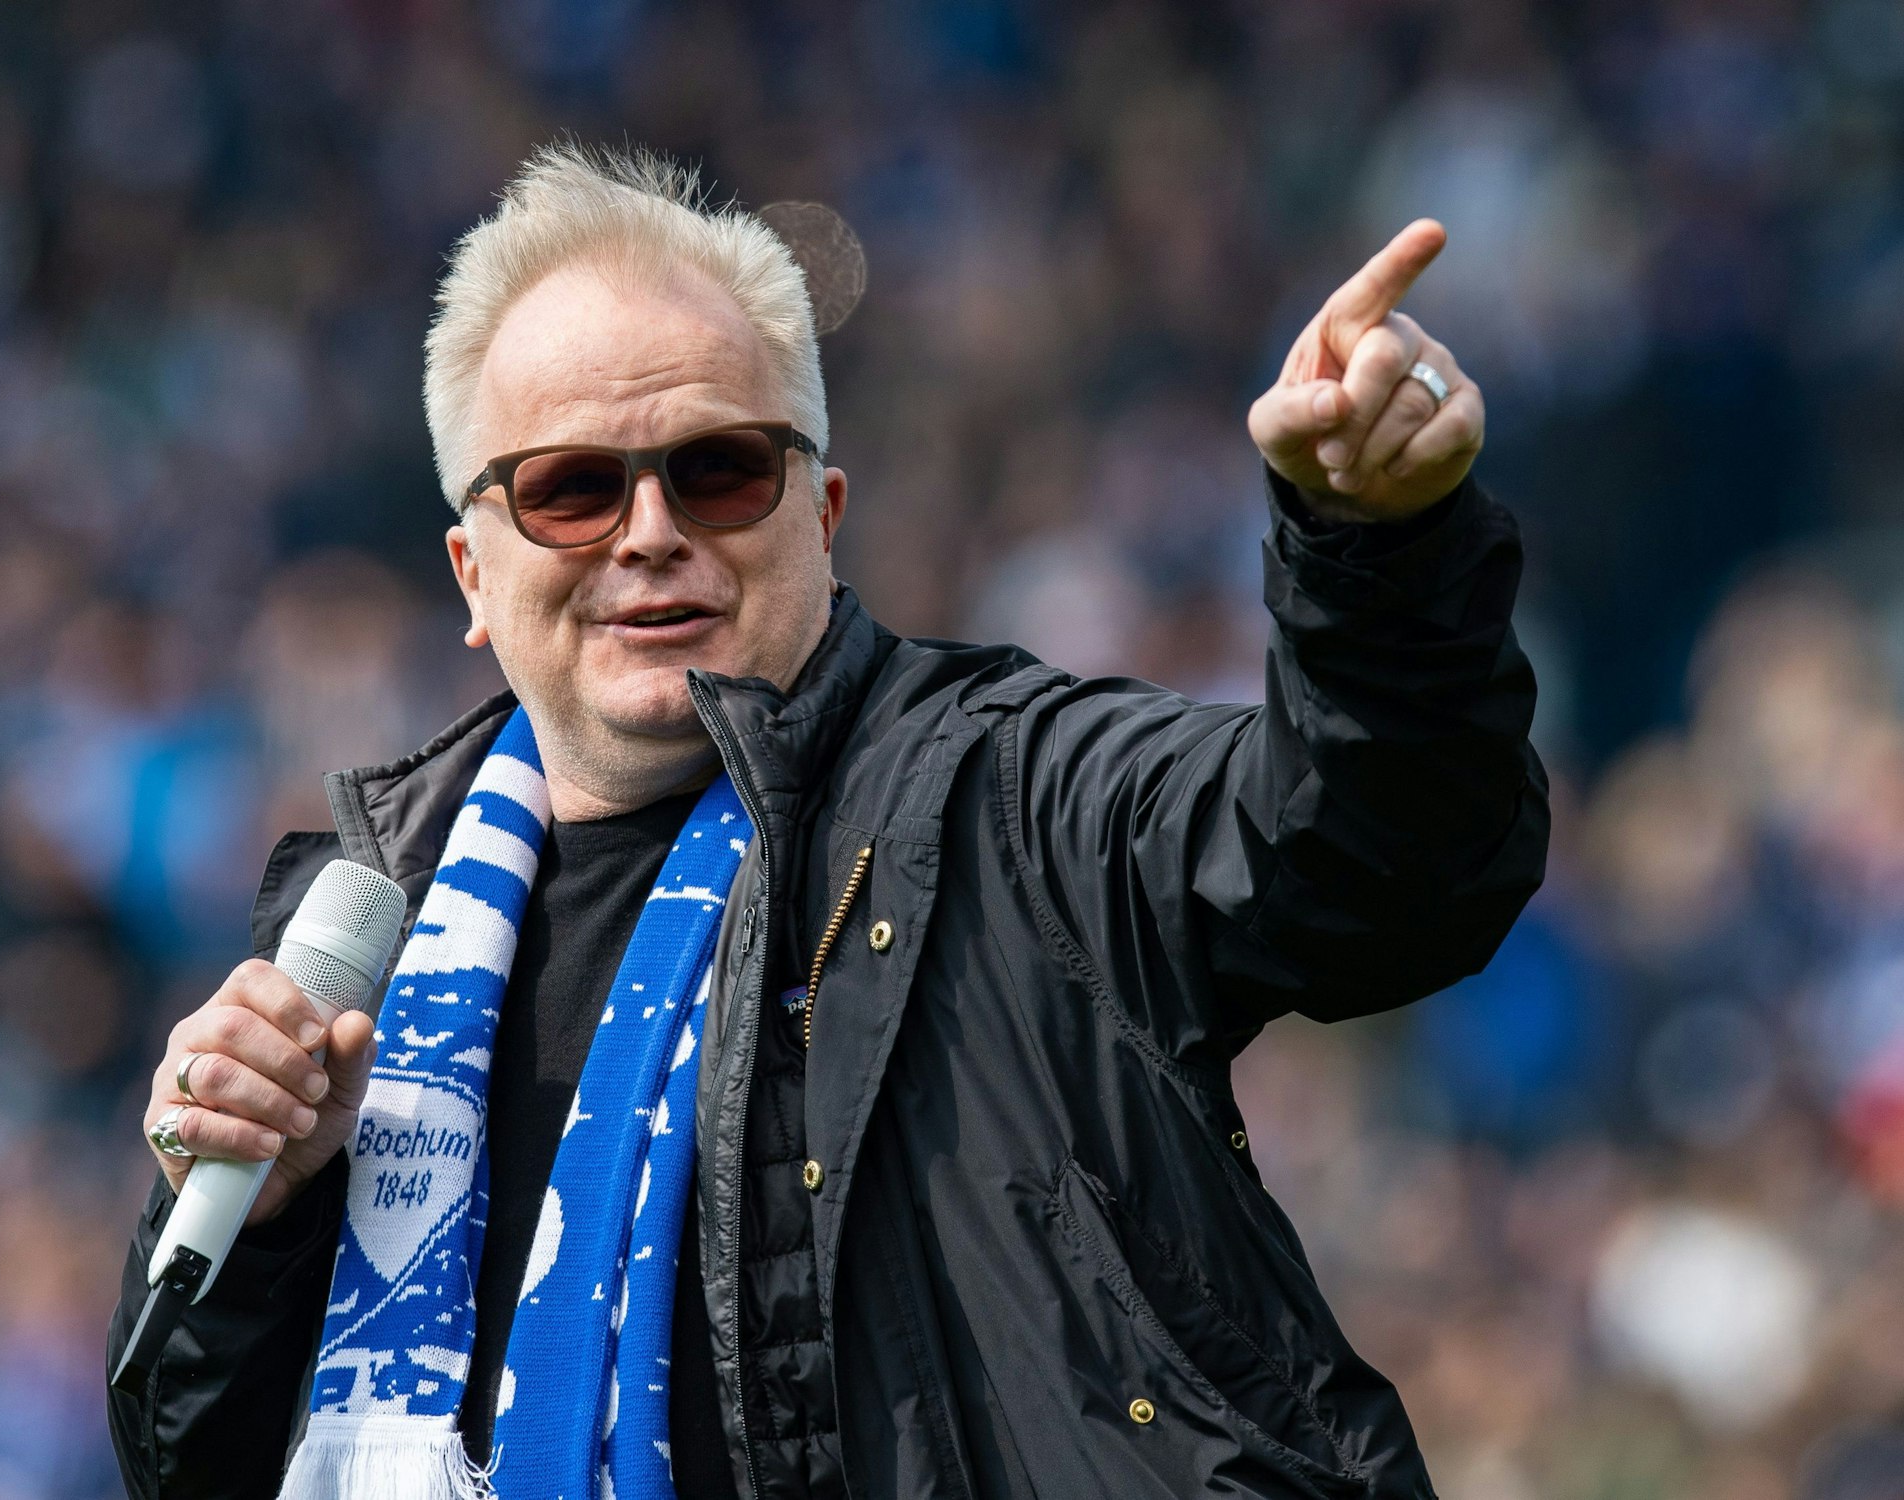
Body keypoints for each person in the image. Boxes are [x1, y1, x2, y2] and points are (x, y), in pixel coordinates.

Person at [107, 142, 1546, 1500]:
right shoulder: (374, 941)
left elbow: (1377, 862)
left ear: (824, 512)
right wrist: (254, 1222)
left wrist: (1376, 553)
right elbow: (189, 1461)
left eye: (720, 470)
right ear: (472, 574)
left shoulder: (1014, 795)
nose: (651, 532)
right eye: (572, 490)